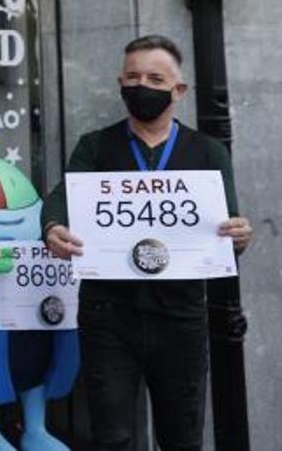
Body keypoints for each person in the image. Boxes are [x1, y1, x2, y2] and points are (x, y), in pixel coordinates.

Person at [40, 35, 252, 451]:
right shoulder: (95, 146)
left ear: (179, 90)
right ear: (120, 83)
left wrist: (239, 237)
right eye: (133, 76)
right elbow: (62, 198)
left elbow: (226, 229)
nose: (142, 86)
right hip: (109, 316)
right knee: (113, 436)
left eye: (156, 78)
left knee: (182, 436)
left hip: (181, 317)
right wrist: (52, 229)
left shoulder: (208, 152)